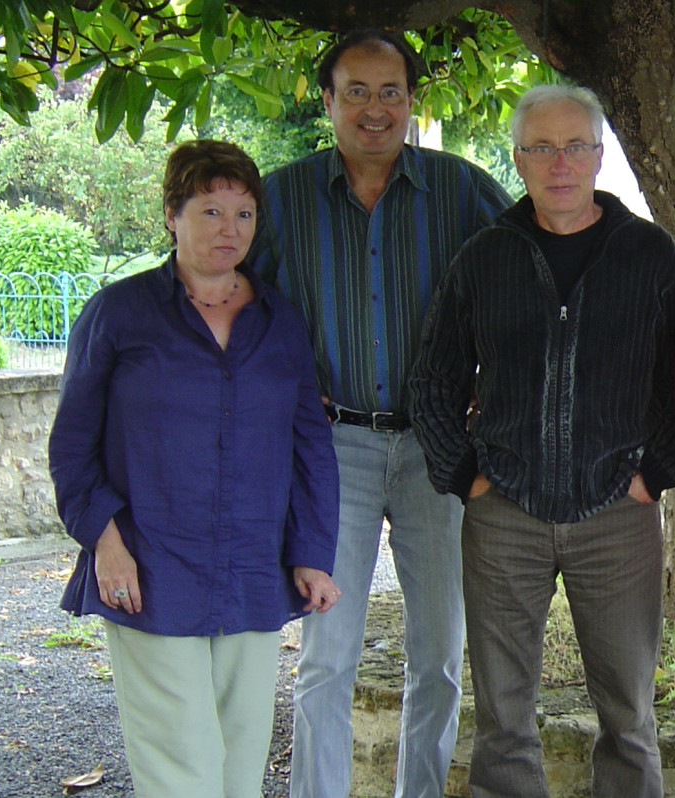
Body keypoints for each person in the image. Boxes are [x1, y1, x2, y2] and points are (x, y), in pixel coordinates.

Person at [249, 30, 514, 798]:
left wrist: (492, 391)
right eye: (356, 92)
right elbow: (234, 302)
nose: (374, 110)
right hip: (334, 448)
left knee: (438, 653)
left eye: (390, 91)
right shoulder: (282, 198)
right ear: (326, 100)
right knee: (328, 654)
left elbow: (526, 284)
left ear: (411, 101)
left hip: (440, 447)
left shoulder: (462, 190)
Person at [409, 84, 675, 798]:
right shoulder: (486, 255)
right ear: (519, 159)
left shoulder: (648, 254)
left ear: (599, 155)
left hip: (618, 513)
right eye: (541, 147)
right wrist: (468, 476)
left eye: (574, 146)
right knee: (503, 716)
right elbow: (433, 379)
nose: (558, 162)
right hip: (504, 510)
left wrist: (652, 474)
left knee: (628, 714)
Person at [49, 139, 340, 797]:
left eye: (243, 214)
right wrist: (107, 543)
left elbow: (310, 449)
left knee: (240, 764)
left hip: (252, 568)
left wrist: (313, 553)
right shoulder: (118, 315)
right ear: (172, 215)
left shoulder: (280, 321)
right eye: (210, 211)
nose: (229, 230)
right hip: (151, 568)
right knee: (183, 768)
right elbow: (71, 449)